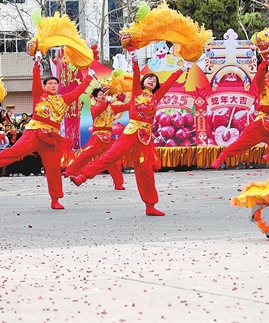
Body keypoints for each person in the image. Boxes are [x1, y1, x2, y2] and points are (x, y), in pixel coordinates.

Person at [69, 51, 187, 216]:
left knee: (145, 170)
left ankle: (150, 206)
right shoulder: (137, 93)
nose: (152, 80)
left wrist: (184, 67)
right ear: (142, 82)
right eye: (149, 78)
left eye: (155, 80)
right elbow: (137, 72)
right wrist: (134, 58)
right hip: (131, 132)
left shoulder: (156, 97)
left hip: (145, 138)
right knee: (110, 156)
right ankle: (82, 177)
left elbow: (170, 82)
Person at [0, 51, 93, 209]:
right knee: (14, 152)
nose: (52, 85)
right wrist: (36, 64)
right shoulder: (39, 96)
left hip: (51, 139)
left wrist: (89, 77)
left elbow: (78, 92)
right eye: (49, 83)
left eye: (55, 84)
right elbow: (35, 82)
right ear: (45, 86)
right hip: (34, 133)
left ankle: (55, 200)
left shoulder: (63, 99)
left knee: (53, 169)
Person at [64, 87, 129, 190]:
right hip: (98, 136)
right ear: (95, 98)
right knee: (87, 154)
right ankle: (70, 171)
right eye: (100, 95)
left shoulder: (111, 107)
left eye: (103, 94)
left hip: (108, 137)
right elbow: (99, 110)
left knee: (112, 161)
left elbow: (125, 107)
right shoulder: (94, 108)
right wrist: (107, 101)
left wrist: (136, 102)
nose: (102, 96)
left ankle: (118, 183)